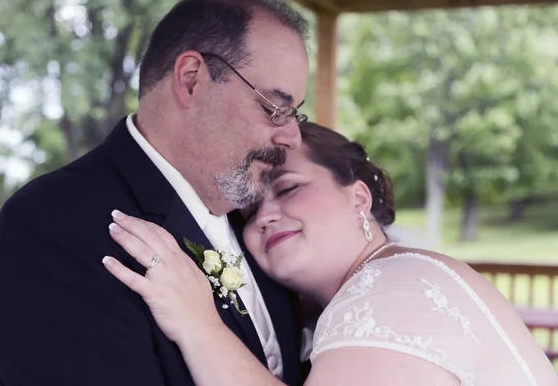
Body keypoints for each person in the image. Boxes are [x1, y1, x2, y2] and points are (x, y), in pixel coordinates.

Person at [0, 0, 310, 385]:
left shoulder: (259, 224)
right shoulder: (52, 228)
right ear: (191, 81)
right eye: (275, 108)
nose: (293, 138)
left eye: (295, 115)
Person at [103, 122, 558, 386]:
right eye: (250, 211)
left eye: (289, 189)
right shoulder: (380, 285)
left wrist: (196, 324)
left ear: (358, 197)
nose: (265, 217)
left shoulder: (393, 291)